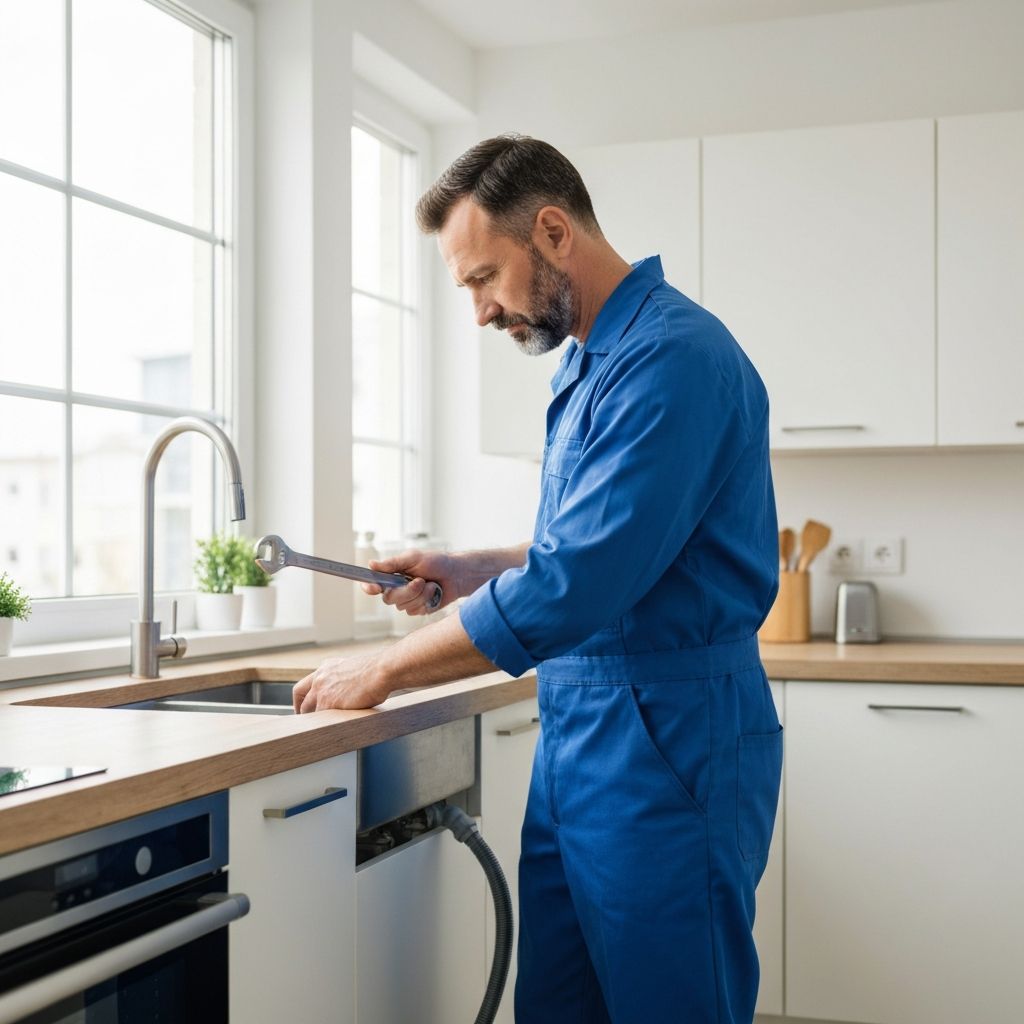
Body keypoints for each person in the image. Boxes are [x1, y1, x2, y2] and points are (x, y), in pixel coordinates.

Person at [293, 134, 783, 1024]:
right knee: (559, 1006)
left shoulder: (672, 359)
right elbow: (595, 550)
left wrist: (385, 669)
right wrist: (469, 569)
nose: (481, 311)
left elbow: (575, 586)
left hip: (667, 743)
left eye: (485, 278)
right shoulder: (592, 360)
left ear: (553, 232)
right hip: (580, 740)